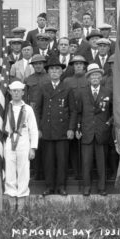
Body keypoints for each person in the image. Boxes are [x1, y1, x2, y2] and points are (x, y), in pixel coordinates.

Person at [36, 57, 77, 196]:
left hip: (62, 130)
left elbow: (73, 110)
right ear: (48, 72)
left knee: (62, 161)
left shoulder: (67, 88)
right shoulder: (43, 88)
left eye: (57, 70)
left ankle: (61, 187)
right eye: (52, 69)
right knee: (48, 161)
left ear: (61, 72)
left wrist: (71, 128)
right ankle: (49, 187)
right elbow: (38, 110)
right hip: (47, 130)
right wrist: (38, 128)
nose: (54, 72)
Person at [0, 81, 38, 198]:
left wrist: (33, 148)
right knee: (9, 169)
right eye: (14, 91)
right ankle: (11, 196)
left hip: (23, 141)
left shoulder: (27, 109)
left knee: (23, 169)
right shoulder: (4, 109)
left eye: (19, 91)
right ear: (9, 92)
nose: (16, 93)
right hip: (8, 140)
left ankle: (22, 196)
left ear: (23, 92)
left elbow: (33, 129)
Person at [76, 63, 112, 196]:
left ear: (101, 77)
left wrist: (108, 124)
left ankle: (102, 187)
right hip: (87, 131)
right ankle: (87, 187)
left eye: (97, 75)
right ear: (88, 78)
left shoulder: (107, 92)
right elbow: (78, 112)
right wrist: (78, 128)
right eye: (92, 75)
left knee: (102, 162)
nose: (95, 77)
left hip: (102, 132)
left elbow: (113, 112)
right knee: (86, 162)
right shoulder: (82, 92)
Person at [24, 54, 50, 180]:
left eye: (40, 63)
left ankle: (46, 173)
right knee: (34, 144)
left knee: (46, 146)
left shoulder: (49, 77)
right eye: (35, 64)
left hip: (48, 113)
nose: (38, 66)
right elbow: (25, 98)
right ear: (32, 66)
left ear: (44, 64)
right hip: (33, 113)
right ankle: (36, 172)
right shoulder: (28, 79)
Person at [63, 55, 89, 180]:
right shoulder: (67, 81)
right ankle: (76, 171)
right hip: (72, 116)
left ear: (84, 65)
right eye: (76, 64)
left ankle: (85, 171)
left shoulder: (88, 79)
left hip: (86, 116)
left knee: (86, 144)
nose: (78, 66)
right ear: (73, 66)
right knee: (73, 145)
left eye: (80, 63)